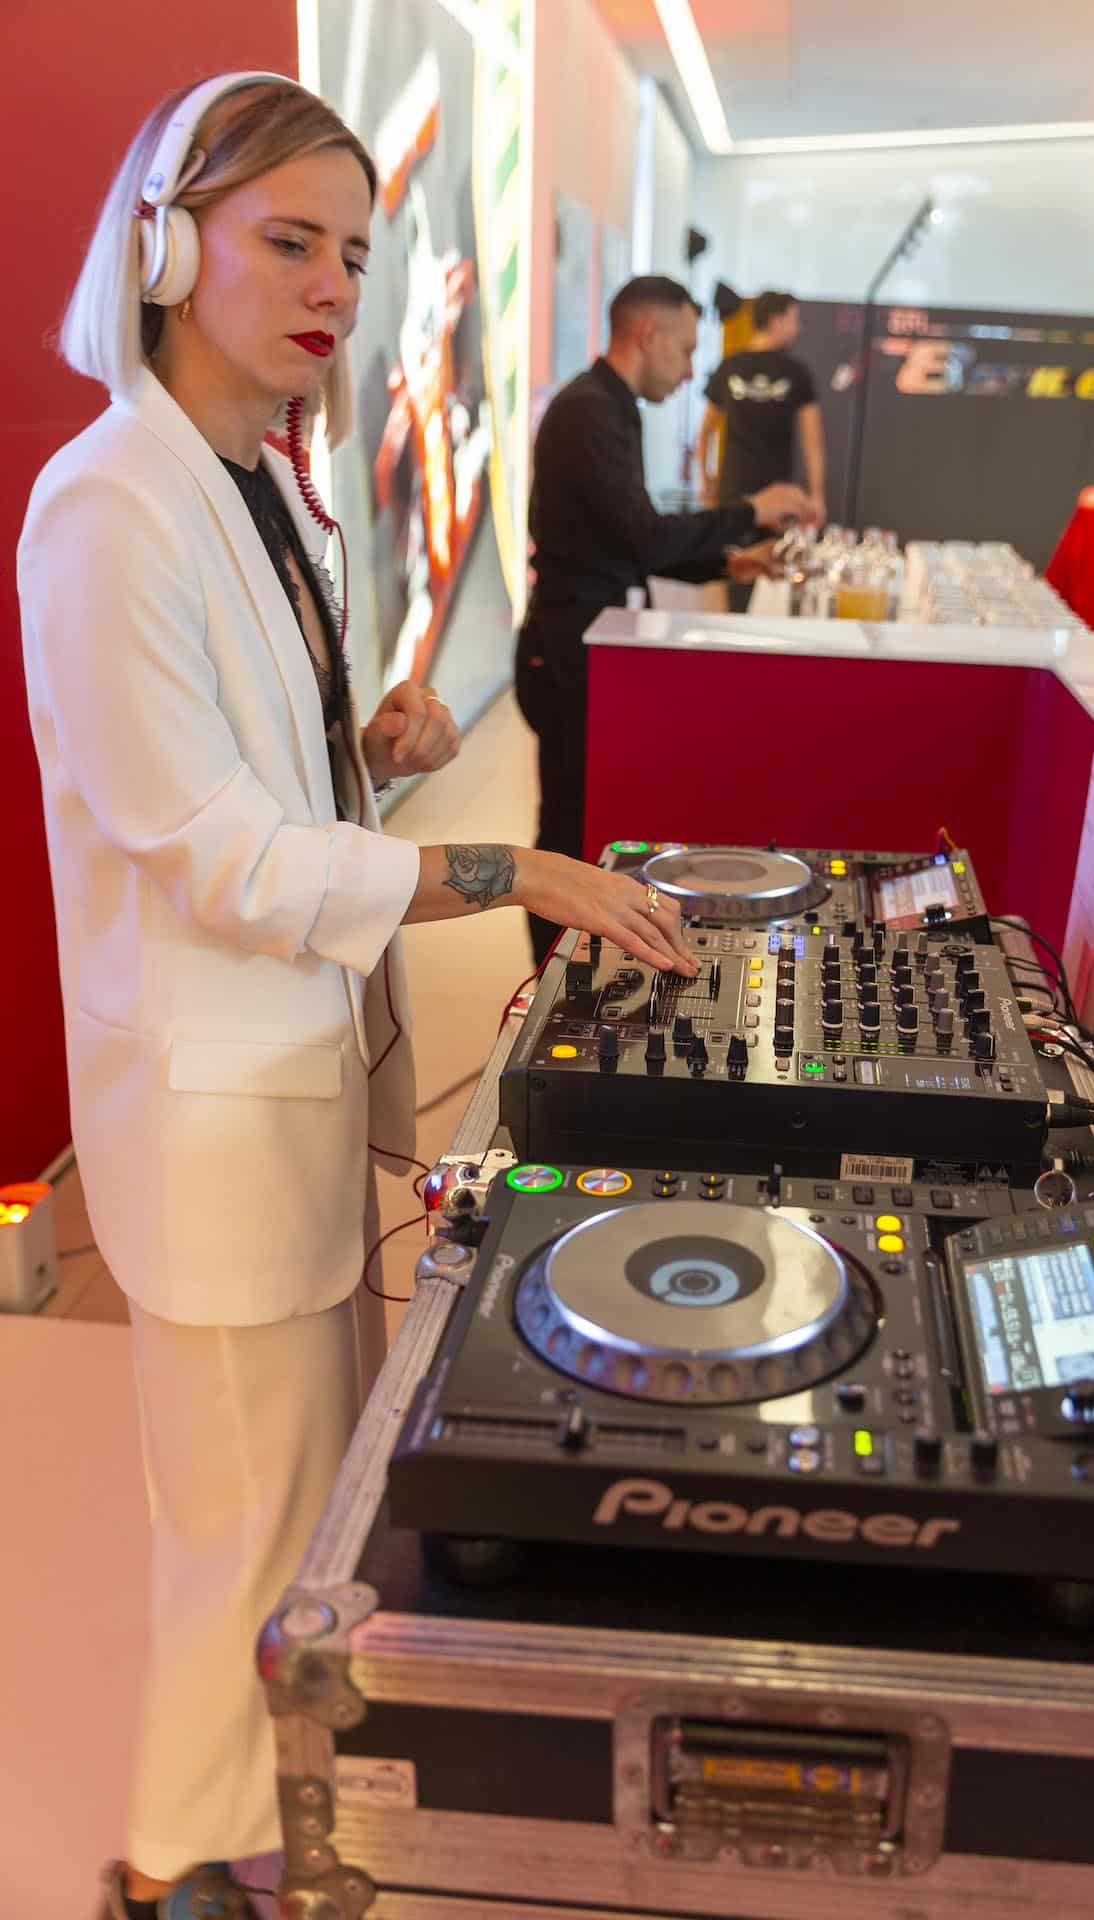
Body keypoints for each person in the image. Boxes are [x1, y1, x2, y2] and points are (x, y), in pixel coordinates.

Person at [18, 73, 695, 1920]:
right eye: (289, 241)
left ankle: (273, 1819)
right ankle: (174, 1866)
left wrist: (365, 756)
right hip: (216, 1125)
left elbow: (265, 797)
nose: (333, 286)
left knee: (304, 1503)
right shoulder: (107, 508)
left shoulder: (260, 487)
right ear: (168, 251)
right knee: (238, 1524)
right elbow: (216, 856)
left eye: (355, 253)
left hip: (299, 1089)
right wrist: (509, 870)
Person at [516, 274, 813, 962]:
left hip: (584, 645)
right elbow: (643, 537)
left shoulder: (608, 408)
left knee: (581, 821)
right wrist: (749, 512)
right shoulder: (590, 412)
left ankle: (571, 965)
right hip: (564, 653)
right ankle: (547, 981)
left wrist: (730, 562)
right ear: (647, 335)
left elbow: (624, 542)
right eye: (684, 351)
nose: (687, 373)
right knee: (565, 831)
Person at [697, 290, 826, 610]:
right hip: (764, 496)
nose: (798, 328)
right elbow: (813, 442)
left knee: (753, 576)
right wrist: (817, 495)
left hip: (751, 494)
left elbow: (704, 434)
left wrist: (706, 477)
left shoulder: (733, 366)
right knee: (748, 574)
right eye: (794, 319)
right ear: (775, 320)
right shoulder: (792, 372)